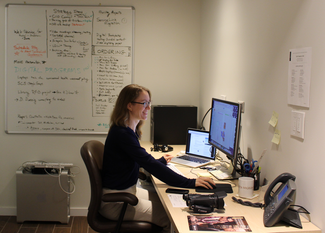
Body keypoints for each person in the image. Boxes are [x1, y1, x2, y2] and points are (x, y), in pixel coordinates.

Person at [100, 84, 215, 233]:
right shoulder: (122, 134)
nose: (148, 108)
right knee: (170, 217)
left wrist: (159, 161)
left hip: (126, 192)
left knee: (170, 202)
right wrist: (190, 182)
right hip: (116, 202)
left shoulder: (127, 130)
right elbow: (148, 163)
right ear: (129, 105)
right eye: (144, 103)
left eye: (149, 103)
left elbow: (141, 161)